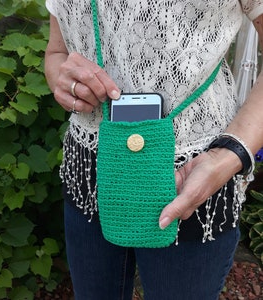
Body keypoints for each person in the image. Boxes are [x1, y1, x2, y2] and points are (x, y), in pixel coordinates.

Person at [44, 1, 263, 299]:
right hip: (91, 171)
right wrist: (62, 77)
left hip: (196, 175)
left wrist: (230, 155)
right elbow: (57, 51)